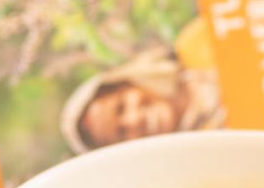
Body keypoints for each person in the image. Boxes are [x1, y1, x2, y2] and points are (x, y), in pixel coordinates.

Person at [60, 46, 224, 153]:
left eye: (121, 107)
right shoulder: (210, 154)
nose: (134, 119)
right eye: (122, 133)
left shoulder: (197, 43)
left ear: (127, 82)